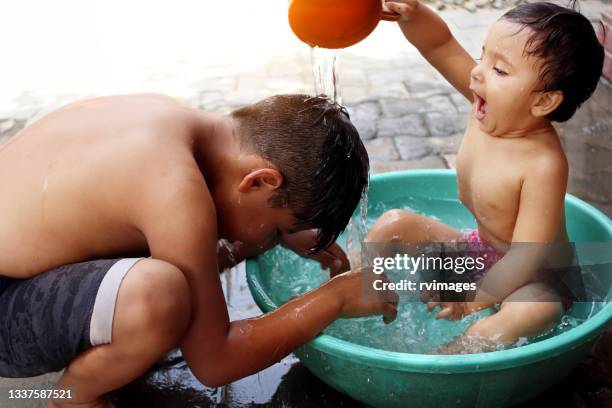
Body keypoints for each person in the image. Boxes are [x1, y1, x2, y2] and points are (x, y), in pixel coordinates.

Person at [0, 93, 398, 407]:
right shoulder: (174, 189)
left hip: (18, 263)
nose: (269, 241)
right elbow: (215, 362)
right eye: (277, 230)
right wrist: (337, 296)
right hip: (6, 312)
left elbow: (192, 248)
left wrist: (283, 230)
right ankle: (74, 397)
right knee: (159, 296)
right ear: (259, 181)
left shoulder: (177, 120)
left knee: (180, 278)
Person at [367, 1, 604, 351]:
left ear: (542, 102)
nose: (478, 72)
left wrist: (474, 299)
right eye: (483, 56)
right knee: (391, 224)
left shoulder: (543, 164)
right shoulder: (487, 102)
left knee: (534, 311)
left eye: (500, 70)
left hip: (535, 280)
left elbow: (526, 255)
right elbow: (440, 45)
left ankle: (448, 358)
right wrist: (413, 16)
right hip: (483, 250)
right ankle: (363, 295)